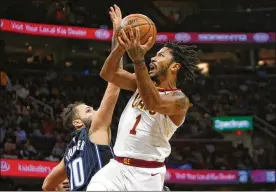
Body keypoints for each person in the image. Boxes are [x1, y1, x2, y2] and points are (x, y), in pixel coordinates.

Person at [86, 5, 200, 191]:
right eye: (153, 55)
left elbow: (153, 102)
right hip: (116, 167)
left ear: (174, 67)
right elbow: (108, 73)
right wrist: (120, 44)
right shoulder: (140, 83)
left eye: (161, 56)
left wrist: (139, 61)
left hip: (147, 175)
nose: (153, 59)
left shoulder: (179, 100)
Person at [42, 5, 123, 191]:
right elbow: (115, 82)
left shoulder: (68, 155)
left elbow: (47, 185)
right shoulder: (95, 129)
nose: (95, 111)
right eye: (88, 110)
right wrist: (117, 33)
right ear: (78, 124)